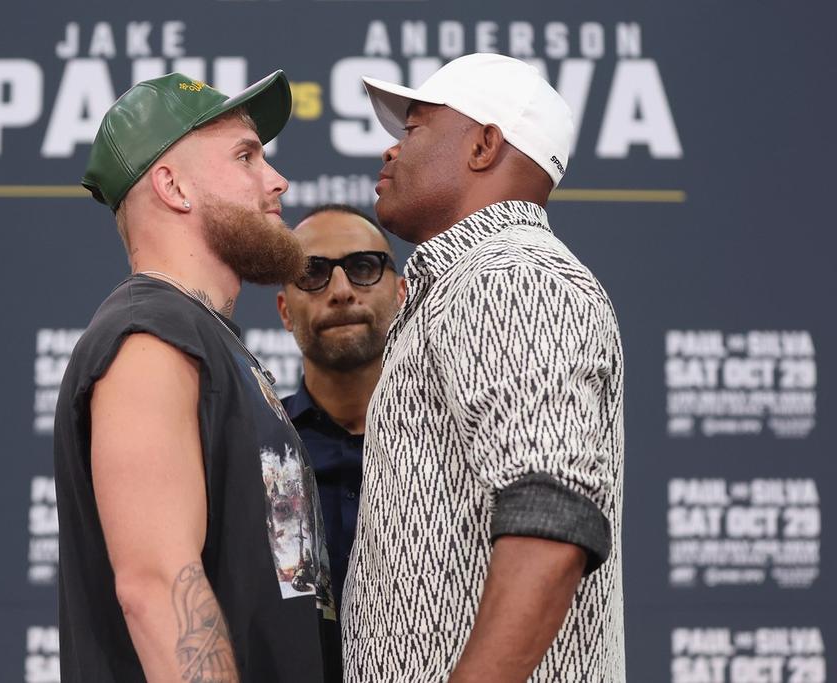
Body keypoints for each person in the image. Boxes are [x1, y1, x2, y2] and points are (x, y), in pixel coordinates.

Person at [343, 53, 625, 682]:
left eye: (413, 130)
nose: (391, 151)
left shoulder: (510, 279)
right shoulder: (466, 284)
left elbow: (550, 522)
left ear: (484, 146)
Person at [53, 70, 340, 683]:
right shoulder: (149, 336)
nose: (278, 181)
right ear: (173, 186)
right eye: (246, 156)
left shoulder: (205, 339)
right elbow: (157, 588)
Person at [275, 204, 406, 614]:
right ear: (284, 311)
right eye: (313, 274)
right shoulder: (254, 447)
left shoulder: (452, 442)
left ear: (402, 295)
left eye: (363, 267)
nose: (341, 290)